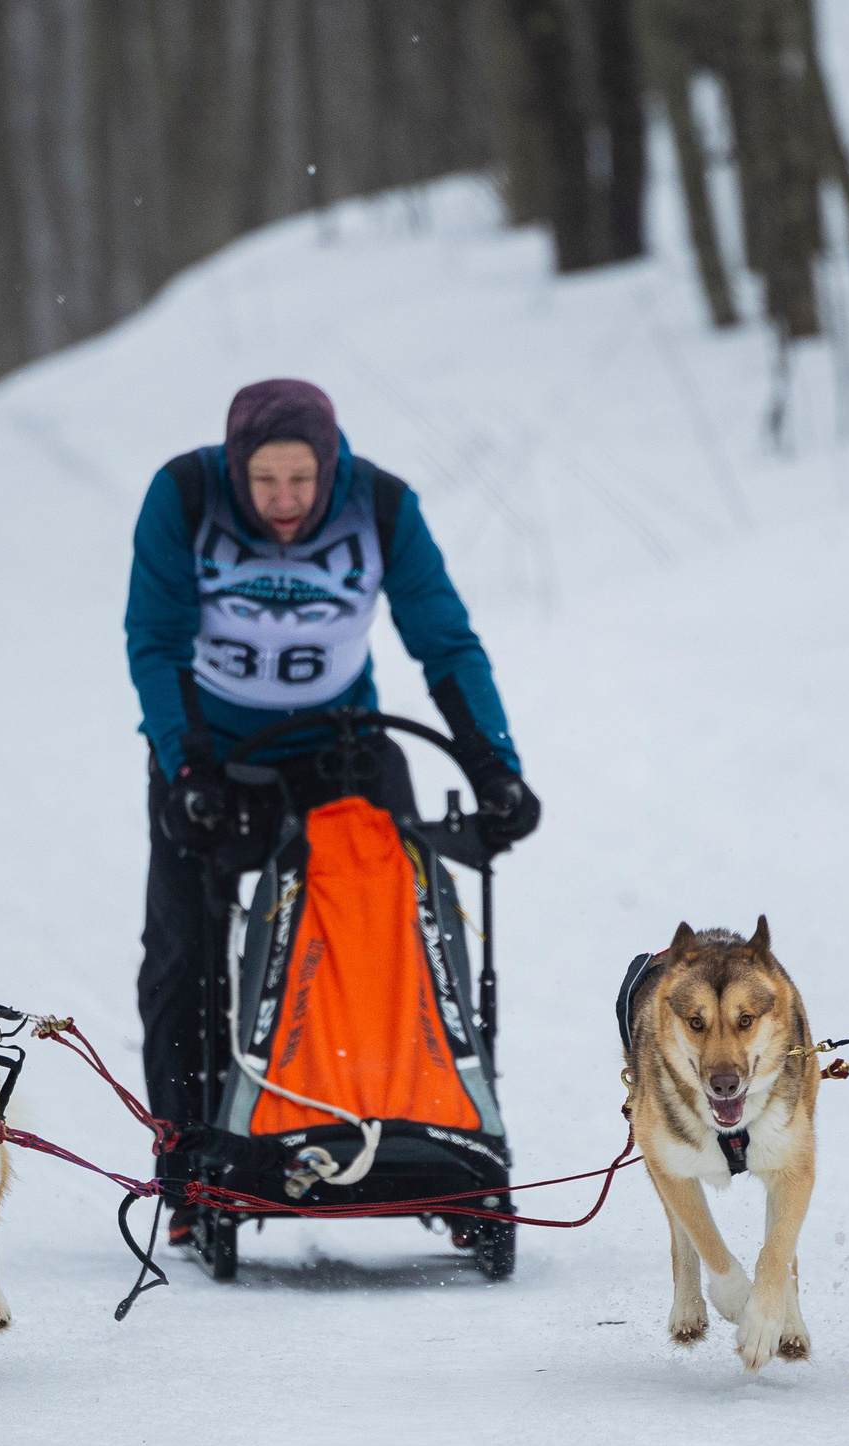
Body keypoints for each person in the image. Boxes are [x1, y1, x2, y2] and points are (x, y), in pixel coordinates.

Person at [126, 378, 539, 1228]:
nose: (284, 501)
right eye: (265, 482)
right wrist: (187, 767)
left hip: (341, 748)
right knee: (183, 955)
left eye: (302, 482)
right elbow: (156, 641)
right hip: (208, 751)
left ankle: (420, 1132)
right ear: (236, 468)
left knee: (397, 935)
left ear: (331, 466)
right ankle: (189, 1164)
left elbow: (445, 639)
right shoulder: (183, 496)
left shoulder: (381, 505)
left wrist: (494, 766)